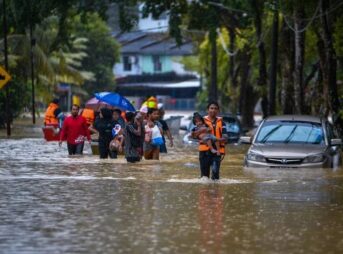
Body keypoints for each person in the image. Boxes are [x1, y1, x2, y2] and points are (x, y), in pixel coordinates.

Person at [191, 101, 228, 180]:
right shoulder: (201, 121)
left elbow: (225, 138)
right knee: (204, 177)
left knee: (215, 174)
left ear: (218, 111)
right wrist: (202, 132)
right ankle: (205, 191)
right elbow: (193, 136)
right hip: (204, 152)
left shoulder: (222, 123)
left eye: (215, 108)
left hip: (217, 152)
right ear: (207, 110)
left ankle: (215, 191)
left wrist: (217, 139)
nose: (213, 110)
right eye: (211, 108)